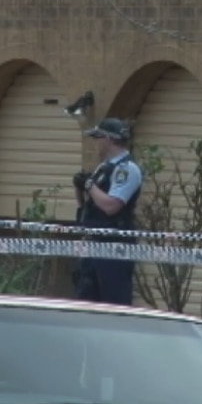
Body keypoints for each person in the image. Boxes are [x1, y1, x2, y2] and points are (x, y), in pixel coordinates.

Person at [73, 118, 144, 306]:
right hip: (93, 245)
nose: (95, 143)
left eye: (97, 137)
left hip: (114, 248)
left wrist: (89, 185)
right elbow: (91, 204)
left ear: (108, 139)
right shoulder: (104, 167)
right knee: (86, 303)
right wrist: (81, 187)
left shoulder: (127, 170)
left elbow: (111, 206)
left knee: (114, 304)